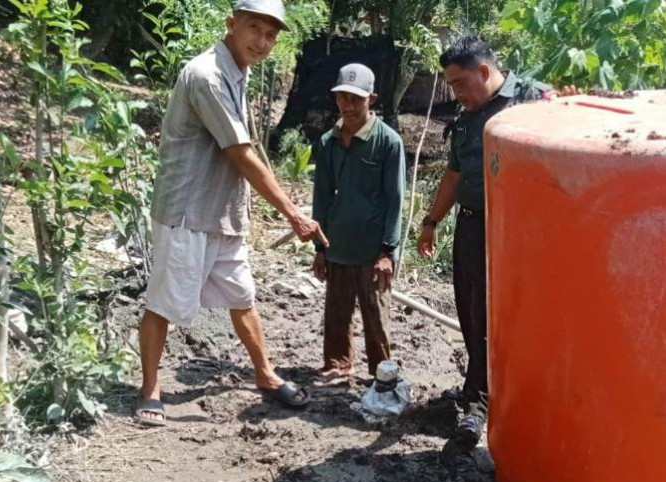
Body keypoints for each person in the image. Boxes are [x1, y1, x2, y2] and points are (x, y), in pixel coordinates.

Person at [135, 0, 328, 426]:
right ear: (231, 24)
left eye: (271, 35)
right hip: (188, 210)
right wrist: (291, 212)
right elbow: (240, 154)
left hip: (222, 212)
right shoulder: (207, 75)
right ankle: (150, 389)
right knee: (164, 302)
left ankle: (265, 374)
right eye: (254, 28)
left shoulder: (238, 73)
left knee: (243, 297)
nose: (262, 41)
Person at [417, 36, 575, 447]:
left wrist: (567, 106)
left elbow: (571, 141)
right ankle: (476, 389)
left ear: (484, 72)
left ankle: (482, 406)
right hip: (470, 226)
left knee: (495, 318)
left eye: (459, 84)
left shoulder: (533, 101)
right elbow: (453, 174)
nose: (457, 94)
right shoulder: (468, 116)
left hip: (513, 232)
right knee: (469, 311)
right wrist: (432, 220)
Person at [312, 63, 406, 381]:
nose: (348, 106)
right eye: (342, 98)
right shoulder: (328, 142)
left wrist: (387, 251)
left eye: (356, 99)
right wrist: (319, 247)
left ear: (372, 99)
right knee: (336, 312)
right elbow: (321, 198)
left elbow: (395, 200)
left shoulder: (388, 143)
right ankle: (338, 364)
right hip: (337, 243)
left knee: (376, 316)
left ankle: (382, 375)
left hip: (371, 250)